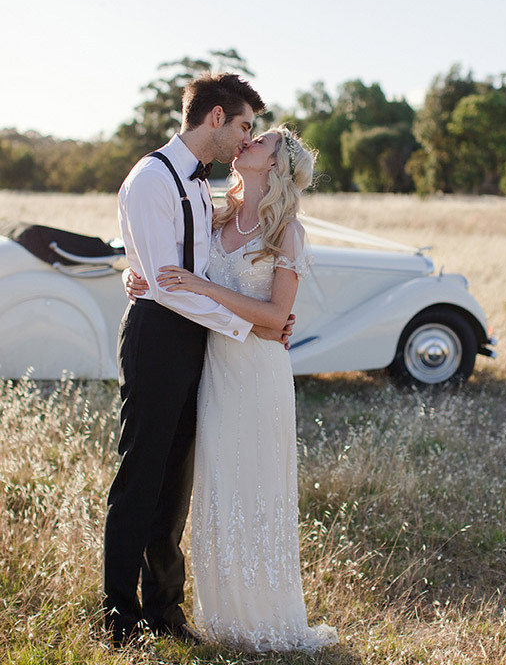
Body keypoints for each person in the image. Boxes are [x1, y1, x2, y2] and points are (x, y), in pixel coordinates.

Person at [129, 125, 338, 652]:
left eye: (260, 140)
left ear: (276, 165)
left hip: (258, 376)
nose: (246, 143)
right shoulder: (217, 214)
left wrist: (203, 285)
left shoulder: (287, 231)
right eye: (248, 134)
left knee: (257, 491)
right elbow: (162, 263)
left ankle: (267, 620)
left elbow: (274, 318)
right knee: (218, 491)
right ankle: (224, 618)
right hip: (213, 371)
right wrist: (139, 280)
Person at [103, 73, 291, 647]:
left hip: (199, 342)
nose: (244, 138)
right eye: (242, 126)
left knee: (175, 483)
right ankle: (118, 614)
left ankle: (165, 608)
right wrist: (252, 325)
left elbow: (198, 269)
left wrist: (265, 316)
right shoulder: (151, 179)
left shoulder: (201, 186)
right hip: (160, 338)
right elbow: (168, 286)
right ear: (215, 118)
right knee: (141, 477)